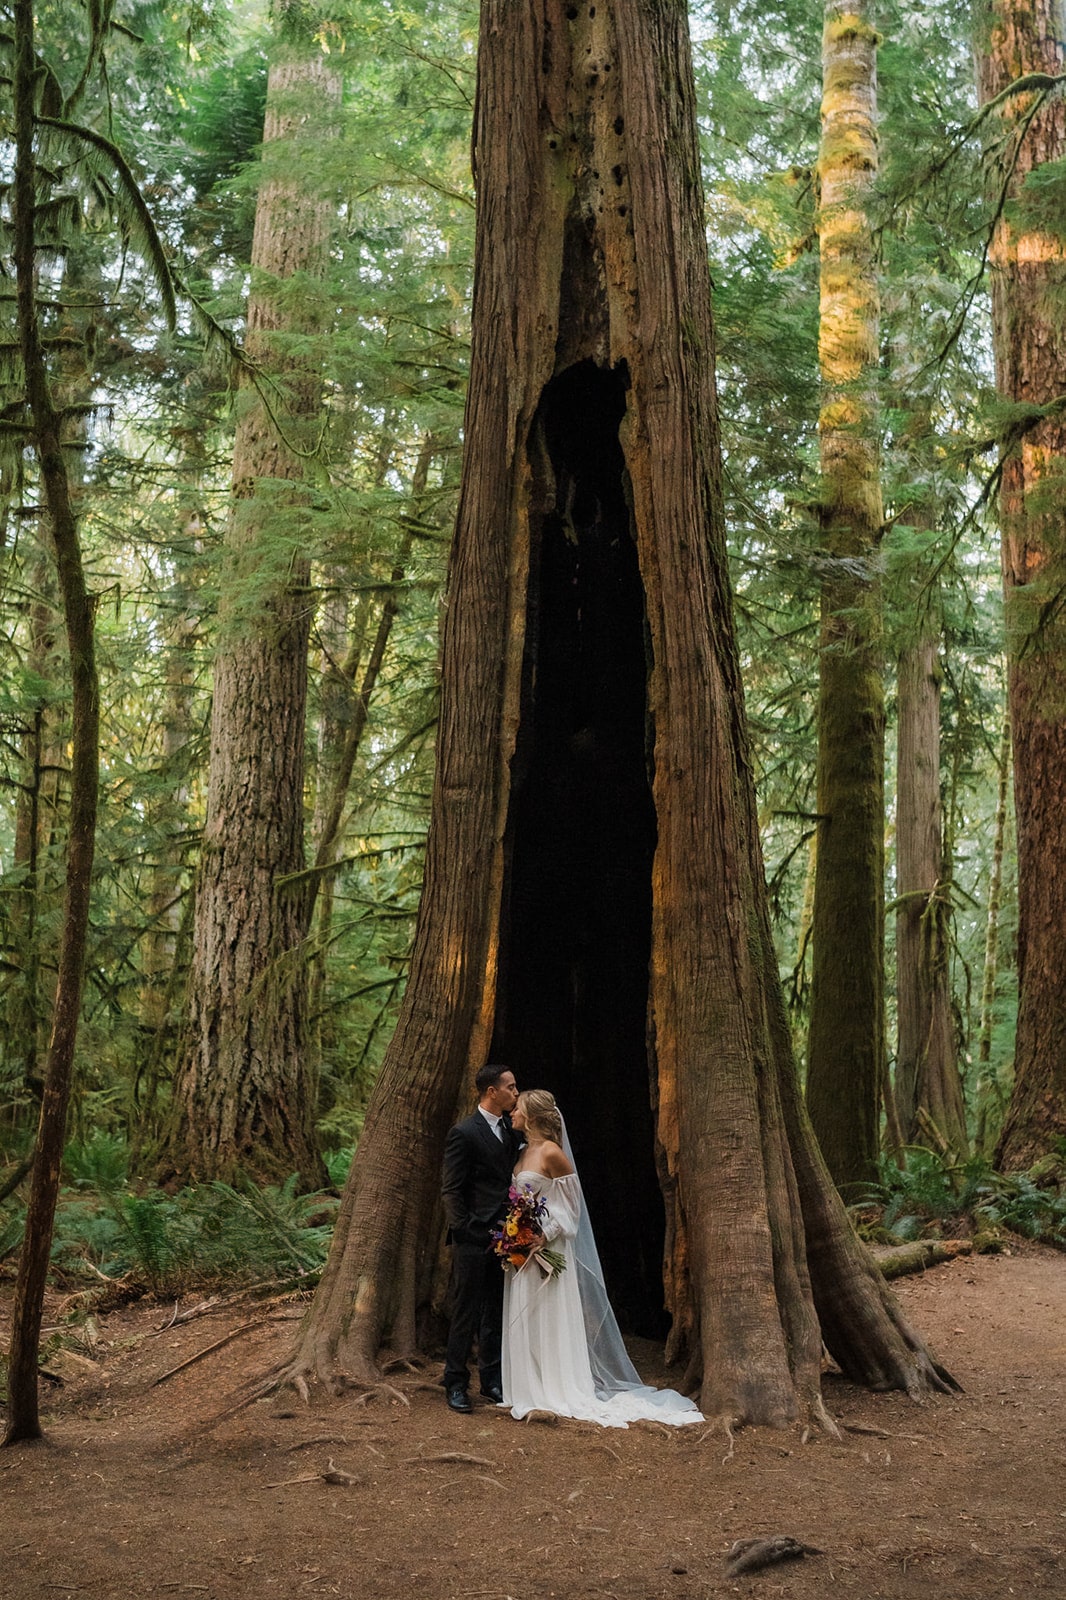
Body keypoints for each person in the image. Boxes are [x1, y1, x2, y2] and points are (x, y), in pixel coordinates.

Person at [502, 1088, 703, 1429]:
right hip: (523, 1249)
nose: (512, 1112)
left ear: (532, 1116)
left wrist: (543, 1234)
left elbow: (572, 1209)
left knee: (547, 1314)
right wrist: (515, 1233)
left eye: (517, 1108)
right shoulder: (522, 1151)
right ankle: (528, 1388)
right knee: (524, 1313)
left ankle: (555, 1388)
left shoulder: (552, 1153)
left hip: (549, 1247)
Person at [440, 1064, 520, 1413]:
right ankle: (455, 1382)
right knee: (465, 1311)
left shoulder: (512, 1130)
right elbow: (451, 1188)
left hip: (507, 1236)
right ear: (492, 1092)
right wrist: (465, 1230)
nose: (516, 1094)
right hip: (473, 1238)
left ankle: (491, 1380)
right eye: (511, 1088)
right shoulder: (464, 1132)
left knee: (495, 1312)